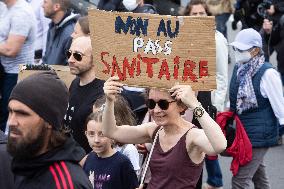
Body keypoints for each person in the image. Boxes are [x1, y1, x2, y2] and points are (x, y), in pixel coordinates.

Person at [102, 76, 227, 189]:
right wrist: (109, 100)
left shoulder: (191, 136)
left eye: (163, 104)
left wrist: (195, 105)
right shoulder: (153, 130)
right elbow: (110, 131)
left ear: (181, 106)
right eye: (151, 103)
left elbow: (219, 146)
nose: (156, 110)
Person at [7, 71, 92, 189]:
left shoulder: (66, 184)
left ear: (49, 121)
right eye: (10, 112)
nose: (11, 122)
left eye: (22, 114)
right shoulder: (23, 161)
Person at [229, 28, 284, 188]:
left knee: (240, 181)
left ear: (255, 50)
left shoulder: (268, 73)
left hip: (260, 134)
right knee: (259, 179)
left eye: (241, 49)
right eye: (235, 48)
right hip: (243, 132)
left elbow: (280, 108)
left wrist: (279, 132)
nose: (237, 52)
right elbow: (233, 99)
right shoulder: (238, 68)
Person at [182, 1, 229, 188]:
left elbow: (222, 76)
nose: (198, 17)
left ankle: (210, 180)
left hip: (206, 100)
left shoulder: (217, 39)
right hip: (186, 97)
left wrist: (216, 105)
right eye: (194, 14)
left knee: (204, 143)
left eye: (202, 13)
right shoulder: (183, 37)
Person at [0, 0, 36, 133]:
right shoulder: (5, 7)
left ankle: (7, 150)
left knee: (10, 115)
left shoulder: (21, 12)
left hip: (17, 73)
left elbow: (11, 50)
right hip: (5, 69)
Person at [80, 109, 139, 189]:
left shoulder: (122, 163)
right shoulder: (88, 159)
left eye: (102, 134)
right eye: (91, 134)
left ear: (112, 135)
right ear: (86, 134)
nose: (96, 140)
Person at [65, 36, 104, 153]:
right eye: (69, 54)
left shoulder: (103, 93)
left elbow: (103, 140)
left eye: (78, 56)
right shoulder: (75, 82)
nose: (70, 60)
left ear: (95, 59)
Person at [93, 95, 141, 175]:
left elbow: (133, 180)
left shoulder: (128, 150)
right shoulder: (99, 145)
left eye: (100, 118)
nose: (95, 122)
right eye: (93, 117)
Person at [42, 0, 79, 65]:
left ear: (56, 7)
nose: (42, 6)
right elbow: (46, 59)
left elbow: (71, 69)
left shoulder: (70, 34)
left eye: (45, 2)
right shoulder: (52, 25)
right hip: (47, 73)